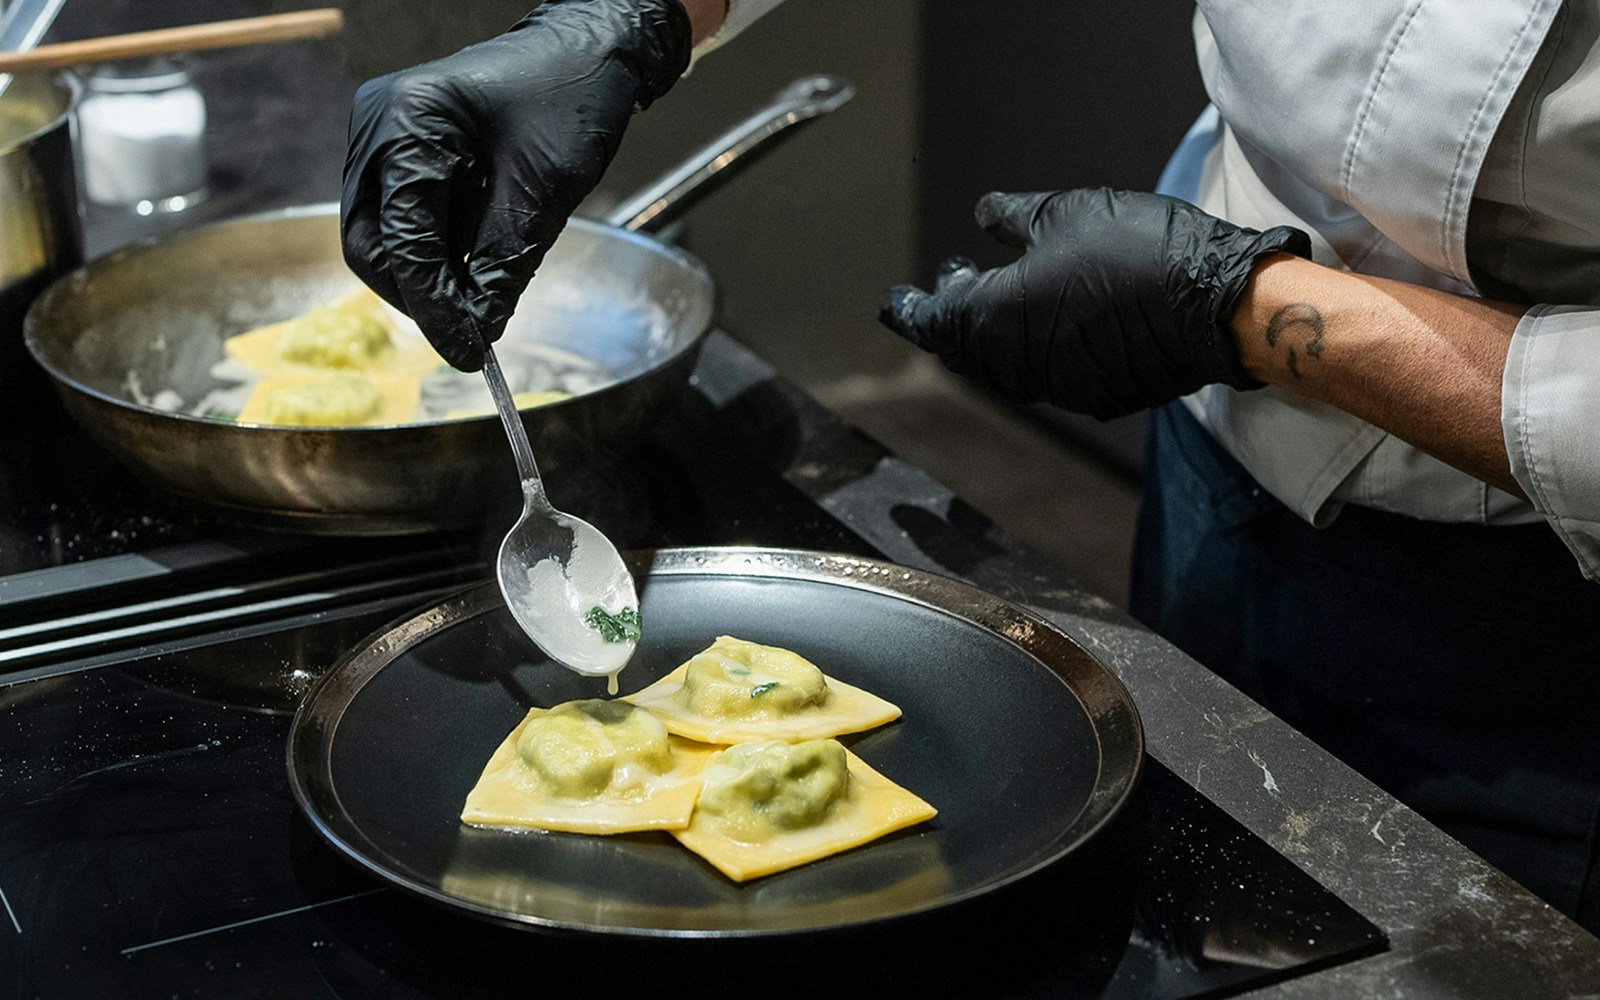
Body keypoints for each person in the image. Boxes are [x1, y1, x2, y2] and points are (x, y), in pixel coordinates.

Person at [340, 0, 1600, 930]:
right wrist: (644, 16)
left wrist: (1250, 309)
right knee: (1195, 894)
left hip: (1559, 643)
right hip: (1227, 460)